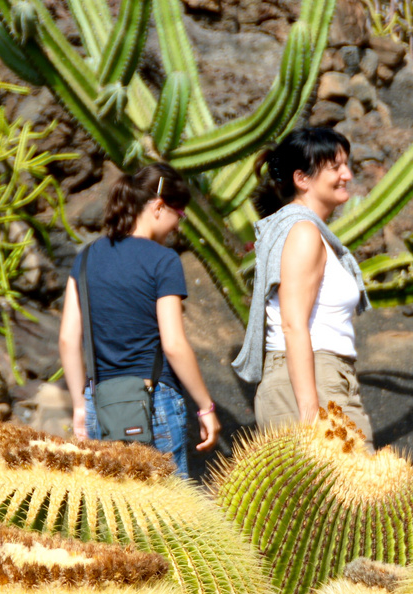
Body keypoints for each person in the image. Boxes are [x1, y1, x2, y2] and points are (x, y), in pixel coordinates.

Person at [58, 163, 220, 478]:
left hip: (100, 404)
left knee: (113, 516)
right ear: (159, 207)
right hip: (154, 401)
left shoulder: (86, 257)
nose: (177, 226)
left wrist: (80, 406)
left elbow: (67, 339)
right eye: (180, 215)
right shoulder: (163, 261)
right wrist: (205, 406)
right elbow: (173, 344)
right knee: (169, 515)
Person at [233, 127, 374, 446]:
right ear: (302, 179)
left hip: (328, 377)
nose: (347, 175)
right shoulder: (303, 233)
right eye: (335, 167)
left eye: (346, 165)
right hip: (309, 381)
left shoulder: (312, 233)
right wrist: (310, 410)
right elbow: (293, 324)